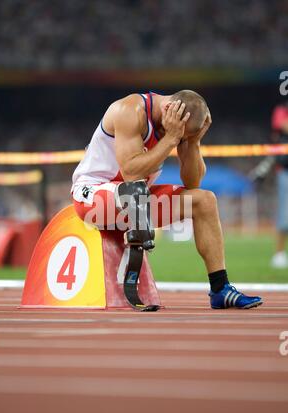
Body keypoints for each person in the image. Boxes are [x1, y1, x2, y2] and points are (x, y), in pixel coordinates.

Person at [72, 90, 262, 309]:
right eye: (180, 136)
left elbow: (193, 183)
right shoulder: (129, 111)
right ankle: (133, 268)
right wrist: (171, 139)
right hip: (93, 197)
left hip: (136, 200)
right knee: (135, 192)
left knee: (204, 200)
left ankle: (220, 289)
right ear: (168, 109)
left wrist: (193, 143)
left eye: (183, 137)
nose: (178, 140)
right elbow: (131, 174)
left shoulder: (177, 127)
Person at [271, 102, 288, 269]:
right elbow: (282, 126)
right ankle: (279, 253)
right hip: (285, 170)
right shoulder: (281, 109)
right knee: (285, 213)